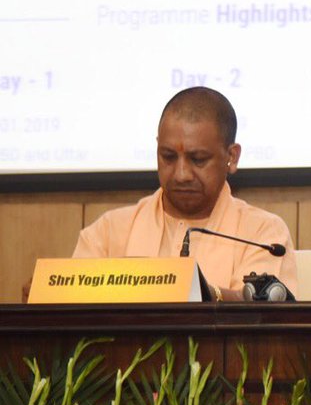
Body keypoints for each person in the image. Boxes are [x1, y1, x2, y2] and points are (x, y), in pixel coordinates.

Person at [73, 87, 298, 301]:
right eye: (168, 157)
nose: (181, 174)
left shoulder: (263, 235)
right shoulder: (108, 232)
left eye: (198, 159)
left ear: (232, 156)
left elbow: (259, 322)